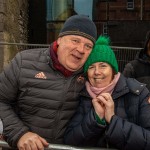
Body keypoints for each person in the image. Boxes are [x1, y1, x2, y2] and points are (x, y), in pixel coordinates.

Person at [0, 15, 97, 150]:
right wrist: (19, 134)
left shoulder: (92, 75)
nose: (81, 50)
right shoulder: (24, 62)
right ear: (60, 40)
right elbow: (1, 100)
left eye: (88, 46)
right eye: (75, 40)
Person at [64, 36, 150, 149]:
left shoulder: (138, 93)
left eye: (103, 66)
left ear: (113, 70)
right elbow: (70, 141)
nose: (97, 72)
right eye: (91, 67)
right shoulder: (82, 95)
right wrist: (96, 118)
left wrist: (113, 120)